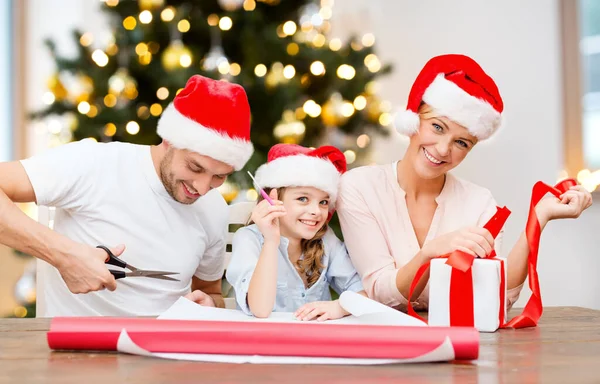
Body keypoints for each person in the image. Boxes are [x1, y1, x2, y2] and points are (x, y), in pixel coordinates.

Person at [336, 54, 593, 312]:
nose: (443, 149)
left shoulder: (479, 203)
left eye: (461, 142)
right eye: (437, 127)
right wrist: (431, 252)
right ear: (415, 119)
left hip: (460, 344)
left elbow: (496, 297)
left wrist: (539, 217)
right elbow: (381, 293)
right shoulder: (359, 187)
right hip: (383, 343)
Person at [0, 74, 254, 316]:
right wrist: (63, 255)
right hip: (78, 354)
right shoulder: (93, 163)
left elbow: (209, 292)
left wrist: (209, 304)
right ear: (169, 140)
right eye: (194, 167)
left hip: (164, 354)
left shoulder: (214, 209)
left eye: (219, 176)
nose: (201, 187)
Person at [226, 144, 364, 320]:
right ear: (272, 199)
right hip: (262, 342)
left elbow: (364, 292)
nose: (316, 211)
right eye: (303, 199)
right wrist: (270, 241)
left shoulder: (325, 239)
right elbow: (260, 309)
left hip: (314, 343)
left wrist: (340, 306)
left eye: (323, 202)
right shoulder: (248, 239)